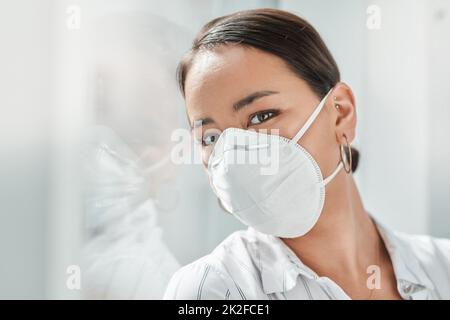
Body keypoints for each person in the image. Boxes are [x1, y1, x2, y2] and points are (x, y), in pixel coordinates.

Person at [163, 8, 450, 300]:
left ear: (340, 112)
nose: (235, 154)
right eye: (211, 137)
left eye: (261, 116)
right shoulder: (215, 290)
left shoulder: (443, 268)